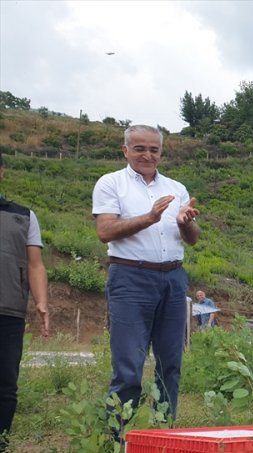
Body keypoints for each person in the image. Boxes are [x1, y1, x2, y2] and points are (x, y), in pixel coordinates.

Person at [92, 124, 200, 421]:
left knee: (171, 364)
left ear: (161, 153)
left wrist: (184, 222)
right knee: (128, 365)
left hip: (173, 280)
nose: (147, 155)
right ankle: (117, 439)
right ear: (125, 150)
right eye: (139, 148)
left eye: (154, 149)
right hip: (130, 277)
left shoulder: (176, 189)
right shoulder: (111, 183)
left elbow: (192, 239)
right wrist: (149, 217)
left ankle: (164, 436)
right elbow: (105, 231)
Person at [0, 153, 50, 453]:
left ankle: (0, 451)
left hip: (9, 309)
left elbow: (35, 264)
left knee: (5, 384)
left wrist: (41, 302)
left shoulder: (23, 216)